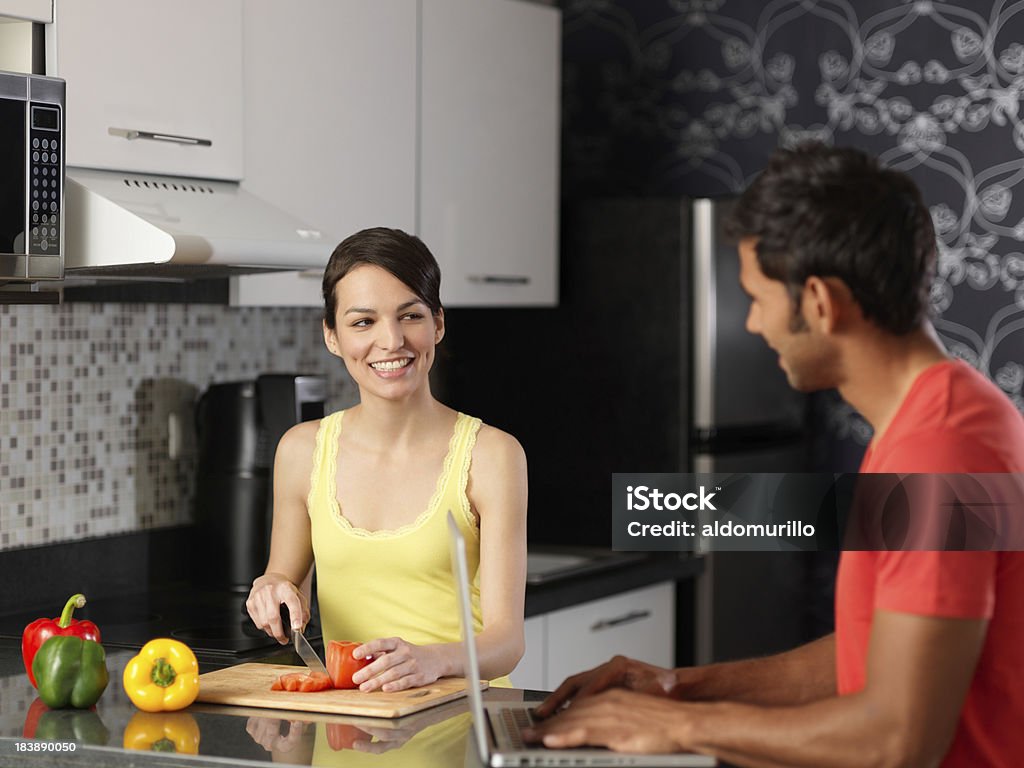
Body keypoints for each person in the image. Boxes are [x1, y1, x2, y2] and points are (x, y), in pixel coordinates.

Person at [524, 142, 1024, 766]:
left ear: (819, 302)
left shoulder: (939, 451)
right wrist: (681, 688)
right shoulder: (943, 414)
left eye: (757, 299)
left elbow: (898, 738)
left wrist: (674, 728)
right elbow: (879, 650)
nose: (754, 325)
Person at [246, 227, 528, 692]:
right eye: (363, 322)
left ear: (437, 323)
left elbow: (506, 642)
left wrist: (431, 661)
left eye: (410, 315)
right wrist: (270, 588)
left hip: (462, 733)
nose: (391, 340)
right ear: (332, 336)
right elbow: (285, 579)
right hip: (346, 736)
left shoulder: (492, 455)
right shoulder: (301, 450)